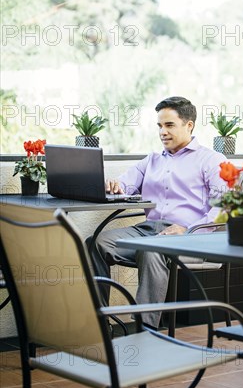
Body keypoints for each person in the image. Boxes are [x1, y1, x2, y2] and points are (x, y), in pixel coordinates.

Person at [89, 96, 227, 329]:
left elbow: (223, 207)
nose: (163, 131)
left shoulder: (212, 160)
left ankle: (146, 328)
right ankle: (99, 321)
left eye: (169, 125)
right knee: (96, 243)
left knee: (151, 251)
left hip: (193, 238)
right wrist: (112, 185)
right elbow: (124, 185)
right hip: (149, 231)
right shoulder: (151, 160)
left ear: (189, 125)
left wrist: (186, 230)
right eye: (160, 126)